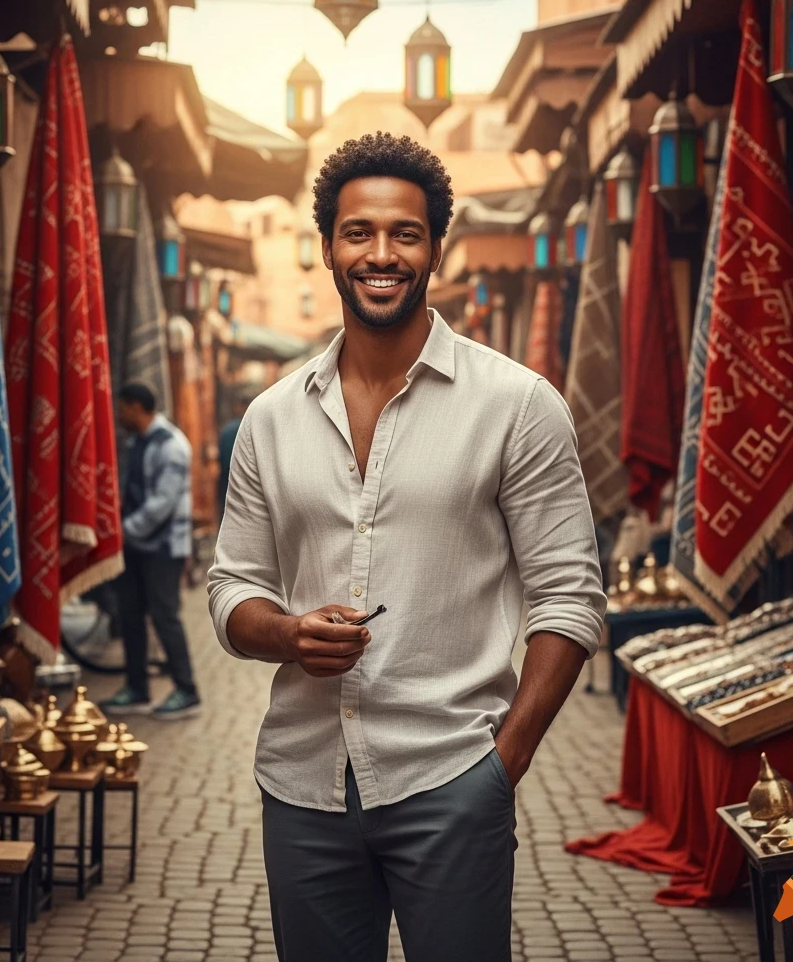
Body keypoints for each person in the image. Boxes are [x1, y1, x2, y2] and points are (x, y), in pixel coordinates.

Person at [207, 132, 605, 962]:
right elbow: (231, 587)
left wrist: (503, 764)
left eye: (405, 234)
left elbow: (570, 598)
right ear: (327, 247)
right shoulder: (270, 419)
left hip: (452, 779)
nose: (381, 254)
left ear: (436, 248)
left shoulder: (518, 405)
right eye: (358, 232)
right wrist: (287, 634)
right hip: (302, 789)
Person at [102, 382, 201, 720]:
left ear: (135, 407)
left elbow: (163, 503)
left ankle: (187, 690)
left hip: (164, 548)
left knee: (164, 616)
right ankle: (137, 688)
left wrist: (123, 531)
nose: (119, 415)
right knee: (130, 615)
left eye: (122, 408)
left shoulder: (171, 445)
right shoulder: (138, 442)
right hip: (136, 546)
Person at [217, 386, 257, 519]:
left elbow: (225, 462)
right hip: (255, 491)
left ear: (239, 406)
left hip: (231, 488)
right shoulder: (259, 426)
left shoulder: (229, 430)